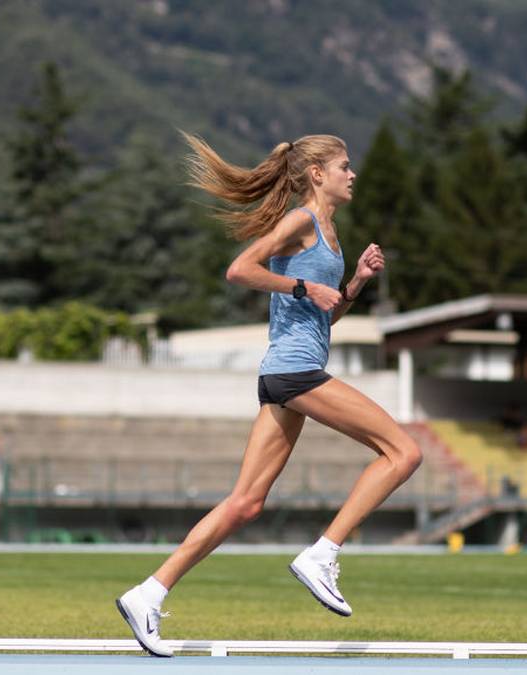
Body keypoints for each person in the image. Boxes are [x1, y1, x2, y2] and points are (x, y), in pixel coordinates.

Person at [115, 132, 423, 657]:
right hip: (295, 374)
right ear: (317, 174)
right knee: (403, 452)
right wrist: (304, 288)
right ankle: (322, 554)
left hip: (287, 375)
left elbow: (327, 313)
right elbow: (240, 269)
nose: (353, 174)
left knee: (245, 504)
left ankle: (148, 592)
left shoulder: (329, 231)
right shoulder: (301, 221)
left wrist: (356, 283)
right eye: (345, 166)